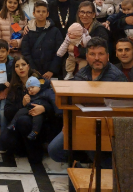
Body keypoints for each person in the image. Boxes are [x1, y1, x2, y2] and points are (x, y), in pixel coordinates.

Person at [48, 37, 125, 166]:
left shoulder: (117, 77)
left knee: (91, 146)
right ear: (87, 56)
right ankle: (78, 165)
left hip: (105, 126)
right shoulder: (81, 74)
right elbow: (72, 101)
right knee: (54, 150)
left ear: (107, 56)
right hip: (79, 122)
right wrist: (68, 123)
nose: (97, 58)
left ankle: (101, 168)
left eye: (101, 54)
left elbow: (122, 109)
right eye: (92, 54)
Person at [0, 56, 56, 163]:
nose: (21, 68)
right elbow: (7, 112)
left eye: (23, 65)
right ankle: (25, 147)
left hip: (40, 123)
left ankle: (36, 149)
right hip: (21, 123)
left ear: (28, 66)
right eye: (17, 66)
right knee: (5, 141)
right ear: (14, 69)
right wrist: (22, 104)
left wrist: (43, 108)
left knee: (24, 121)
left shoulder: (40, 81)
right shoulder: (14, 86)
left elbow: (53, 102)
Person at [21, 0, 63, 79]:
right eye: (38, 11)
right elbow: (25, 52)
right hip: (33, 73)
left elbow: (60, 52)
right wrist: (33, 70)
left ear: (47, 14)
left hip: (52, 73)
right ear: (34, 13)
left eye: (43, 11)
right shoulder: (28, 30)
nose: (41, 13)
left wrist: (52, 70)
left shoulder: (55, 31)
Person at [7, 76, 53, 140]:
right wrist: (24, 103)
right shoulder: (28, 94)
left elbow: (53, 104)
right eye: (28, 89)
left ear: (38, 86)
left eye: (32, 87)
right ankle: (13, 124)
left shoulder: (46, 92)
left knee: (37, 118)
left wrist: (44, 108)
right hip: (29, 109)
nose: (30, 90)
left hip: (41, 113)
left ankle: (35, 132)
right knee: (20, 112)